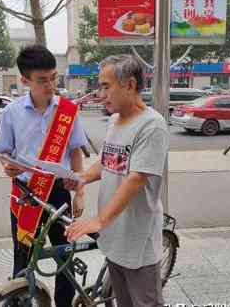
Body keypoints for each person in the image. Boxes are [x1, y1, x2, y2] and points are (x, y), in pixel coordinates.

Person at [64, 55, 170, 307]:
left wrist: (99, 220)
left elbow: (136, 179)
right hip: (114, 234)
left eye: (105, 86)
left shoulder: (152, 125)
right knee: (122, 301)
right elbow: (108, 161)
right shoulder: (115, 120)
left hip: (137, 239)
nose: (100, 93)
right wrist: (82, 178)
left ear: (130, 85)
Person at [0, 45, 88, 307]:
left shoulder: (67, 111)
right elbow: (3, 152)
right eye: (42, 80)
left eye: (53, 78)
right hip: (25, 196)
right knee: (22, 260)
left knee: (64, 257)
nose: (50, 86)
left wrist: (79, 193)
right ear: (25, 80)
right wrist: (7, 166)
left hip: (59, 194)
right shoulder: (11, 113)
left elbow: (76, 152)